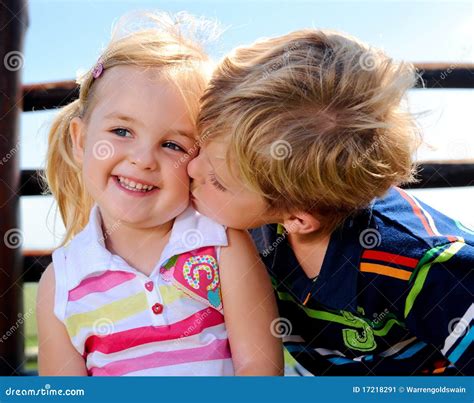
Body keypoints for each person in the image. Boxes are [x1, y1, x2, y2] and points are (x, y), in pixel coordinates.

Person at [187, 28, 473, 375]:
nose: (190, 166)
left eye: (217, 180)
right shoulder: (256, 221)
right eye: (199, 144)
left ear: (299, 220)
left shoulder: (425, 268)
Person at [36, 12, 283, 376]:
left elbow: (261, 374)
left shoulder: (222, 245)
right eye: (122, 131)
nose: (142, 160)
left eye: (172, 144)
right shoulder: (61, 284)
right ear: (81, 140)